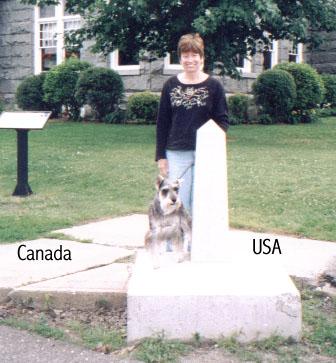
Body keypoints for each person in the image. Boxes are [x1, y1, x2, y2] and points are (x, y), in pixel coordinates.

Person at [155, 33, 229, 215]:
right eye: (185, 56)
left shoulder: (214, 86)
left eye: (194, 55)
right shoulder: (170, 85)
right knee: (179, 205)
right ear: (180, 58)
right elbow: (162, 122)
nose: (190, 60)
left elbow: (222, 121)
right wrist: (161, 156)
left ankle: (201, 243)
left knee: (204, 204)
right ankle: (179, 243)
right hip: (177, 153)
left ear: (202, 58)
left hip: (206, 154)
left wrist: (213, 148)